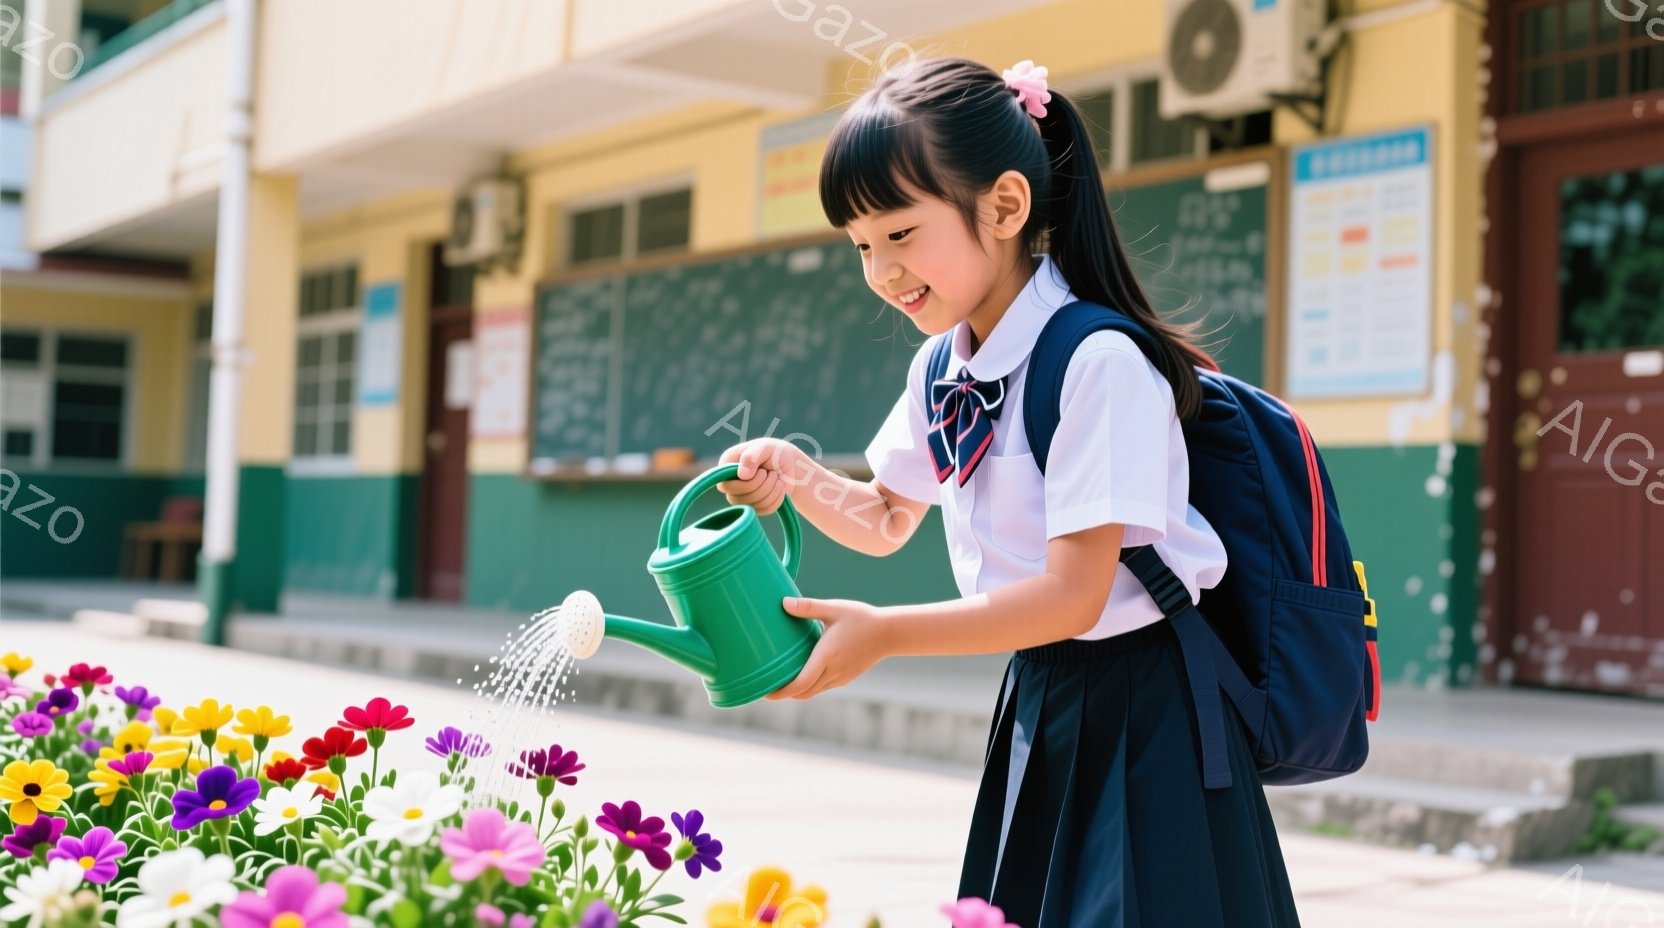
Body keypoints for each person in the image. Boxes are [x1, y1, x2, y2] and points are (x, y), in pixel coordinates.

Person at [718, 56, 1301, 927]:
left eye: (901, 233)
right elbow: (885, 518)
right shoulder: (940, 365)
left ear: (1003, 206)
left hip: (1146, 707)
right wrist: (795, 477)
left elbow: (1074, 596)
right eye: (861, 245)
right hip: (1040, 690)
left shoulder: (1099, 363)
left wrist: (883, 635)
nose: (880, 270)